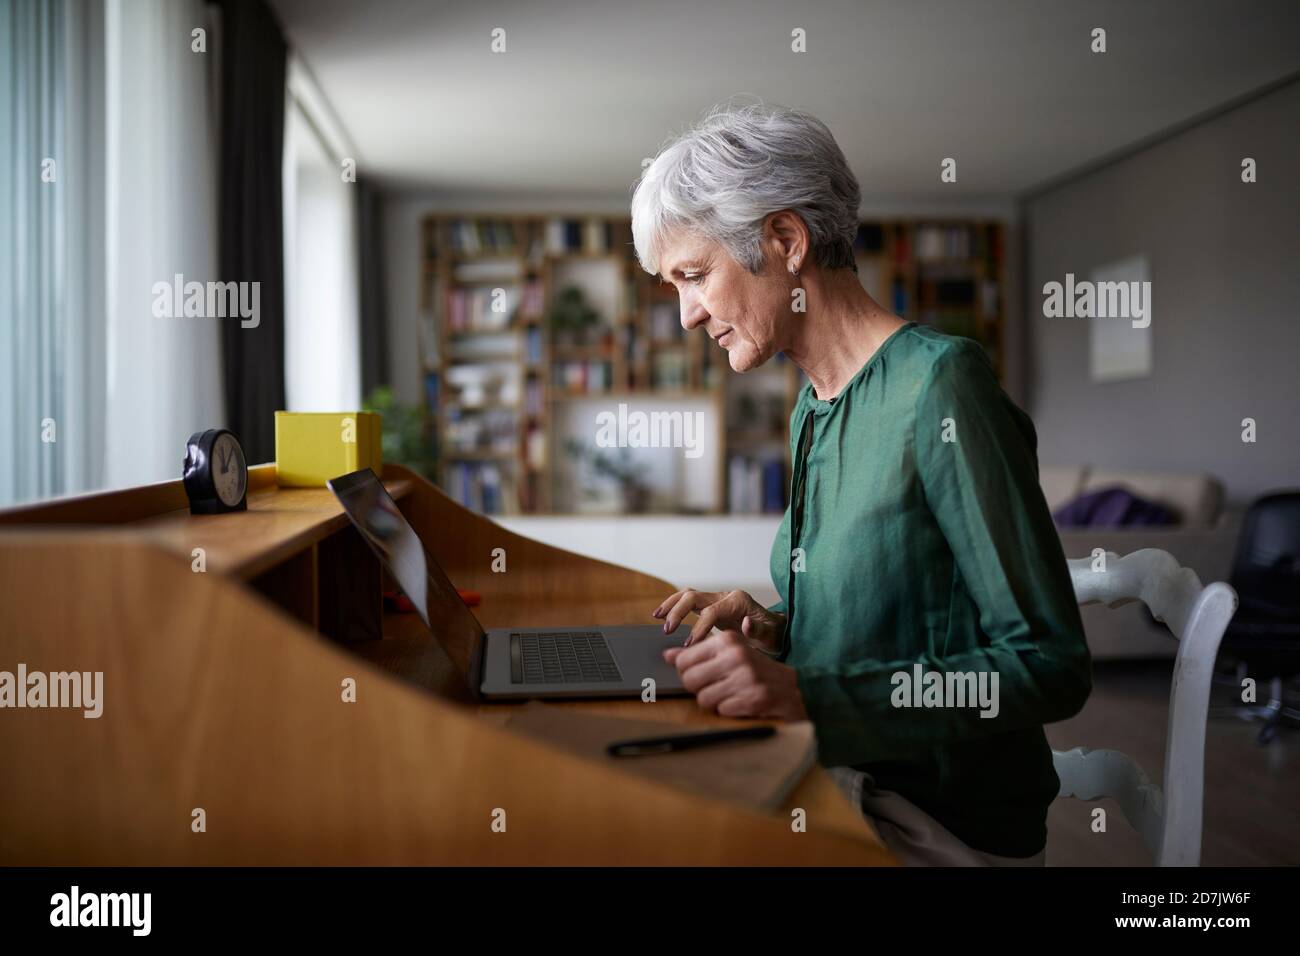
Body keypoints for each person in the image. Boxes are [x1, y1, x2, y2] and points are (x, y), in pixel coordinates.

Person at [631, 101, 1092, 865]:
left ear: (784, 240)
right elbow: (894, 605)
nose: (686, 315)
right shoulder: (814, 404)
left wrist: (811, 697)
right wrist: (777, 625)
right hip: (846, 775)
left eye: (694, 275)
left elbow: (1050, 665)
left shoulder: (942, 389)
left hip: (939, 821)